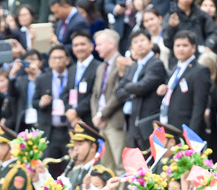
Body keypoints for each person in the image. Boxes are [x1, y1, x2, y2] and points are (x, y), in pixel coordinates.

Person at [115, 30, 167, 150]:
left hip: (148, 122)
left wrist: (128, 86)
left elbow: (142, 87)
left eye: (142, 40)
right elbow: (118, 92)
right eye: (135, 42)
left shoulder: (156, 64)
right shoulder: (133, 66)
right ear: (131, 47)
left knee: (149, 159)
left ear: (150, 43)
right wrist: (132, 93)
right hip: (132, 120)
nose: (139, 44)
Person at [157, 31, 210, 136]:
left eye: (185, 45)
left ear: (193, 47)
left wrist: (191, 134)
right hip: (168, 125)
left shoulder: (200, 70)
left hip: (184, 130)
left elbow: (199, 106)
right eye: (177, 45)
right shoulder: (175, 68)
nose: (180, 49)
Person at [91, 30, 127, 173]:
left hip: (115, 121)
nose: (96, 48)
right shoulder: (101, 67)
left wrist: (102, 115)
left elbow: (118, 94)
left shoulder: (122, 63)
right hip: (101, 123)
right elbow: (95, 95)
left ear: (111, 44)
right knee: (106, 166)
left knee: (120, 164)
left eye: (99, 44)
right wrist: (96, 115)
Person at [65, 31, 100, 127]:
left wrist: (77, 112)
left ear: (91, 47)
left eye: (82, 44)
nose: (79, 48)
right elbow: (66, 93)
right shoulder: (71, 69)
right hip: (72, 120)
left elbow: (95, 94)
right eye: (75, 45)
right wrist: (70, 111)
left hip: (90, 119)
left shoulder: (99, 67)